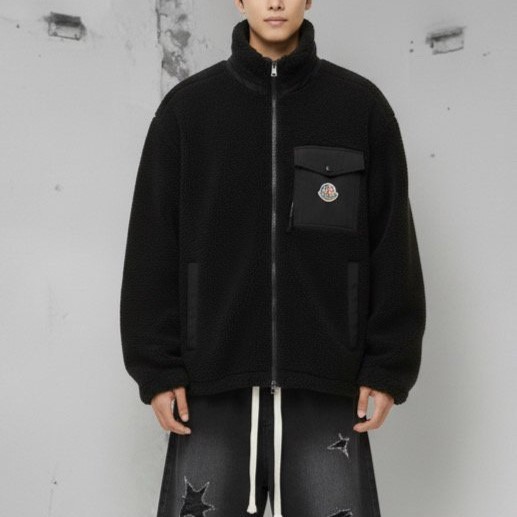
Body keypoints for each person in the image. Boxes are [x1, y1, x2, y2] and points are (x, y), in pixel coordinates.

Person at [119, 1, 426, 516]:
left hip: (326, 376)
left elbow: (392, 241)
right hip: (211, 378)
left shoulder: (360, 108)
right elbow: (152, 242)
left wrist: (388, 364)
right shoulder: (188, 112)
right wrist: (157, 366)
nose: (276, 2)